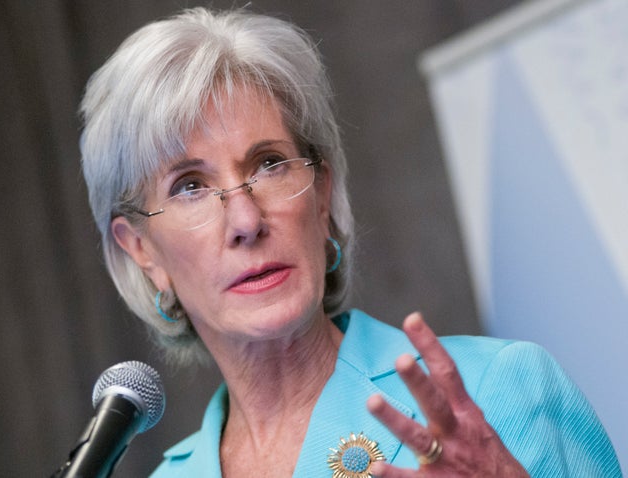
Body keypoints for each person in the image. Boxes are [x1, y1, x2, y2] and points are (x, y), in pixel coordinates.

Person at [79, 7, 621, 477]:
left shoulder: (499, 393)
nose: (245, 218)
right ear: (142, 250)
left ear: (321, 195)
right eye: (190, 187)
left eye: (269, 164)